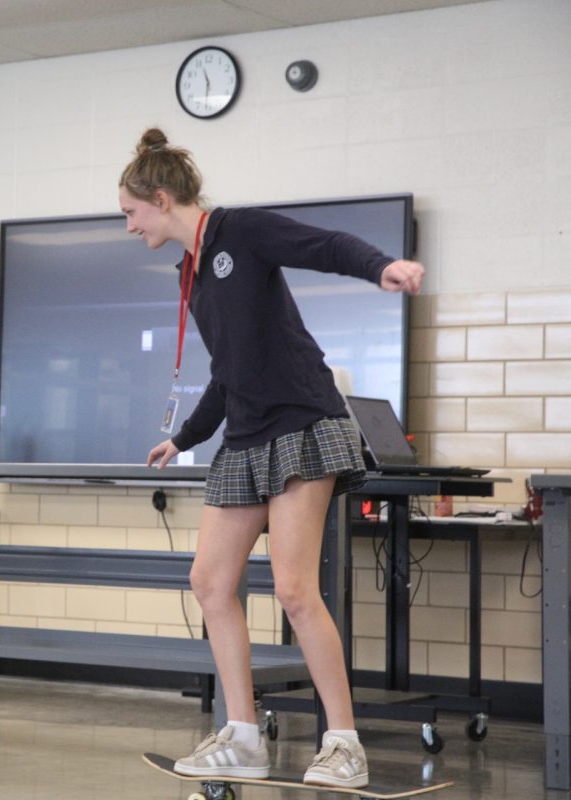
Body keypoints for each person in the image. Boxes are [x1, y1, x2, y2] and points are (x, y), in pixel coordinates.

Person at [120, 128, 424, 789]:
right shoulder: (191, 273)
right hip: (245, 437)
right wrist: (186, 437)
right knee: (210, 583)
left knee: (292, 589)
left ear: (162, 199)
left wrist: (381, 267)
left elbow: (325, 245)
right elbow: (227, 371)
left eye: (131, 212)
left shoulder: (241, 232)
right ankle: (244, 736)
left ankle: (343, 743)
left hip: (300, 424)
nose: (129, 226)